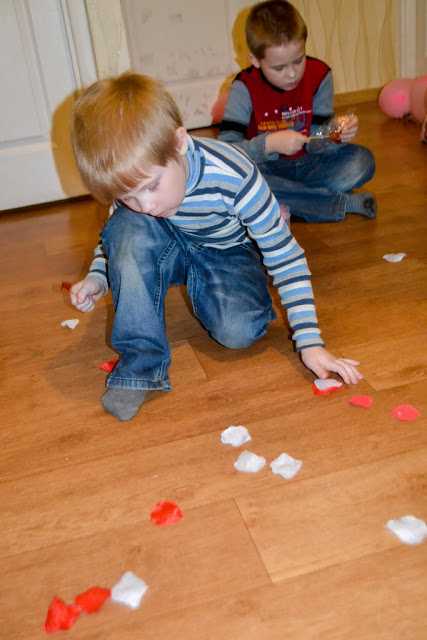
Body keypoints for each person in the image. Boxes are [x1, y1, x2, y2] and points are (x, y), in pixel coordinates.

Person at [70, 72, 362, 422]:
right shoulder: (137, 195)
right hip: (166, 242)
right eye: (127, 196)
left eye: (151, 186)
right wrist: (98, 276)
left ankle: (217, 277)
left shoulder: (234, 174)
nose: (145, 205)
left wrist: (310, 343)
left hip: (225, 251)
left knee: (238, 331)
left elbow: (287, 258)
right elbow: (117, 237)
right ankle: (140, 367)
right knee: (129, 225)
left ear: (179, 142)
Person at [218, 0, 376, 223]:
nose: (292, 74)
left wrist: (335, 134)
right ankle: (339, 203)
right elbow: (226, 154)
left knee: (362, 161)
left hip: (309, 164)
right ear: (255, 60)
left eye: (298, 61)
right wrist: (269, 145)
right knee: (238, 181)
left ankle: (289, 202)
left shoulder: (319, 75)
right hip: (265, 169)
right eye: (279, 67)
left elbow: (316, 141)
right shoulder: (244, 87)